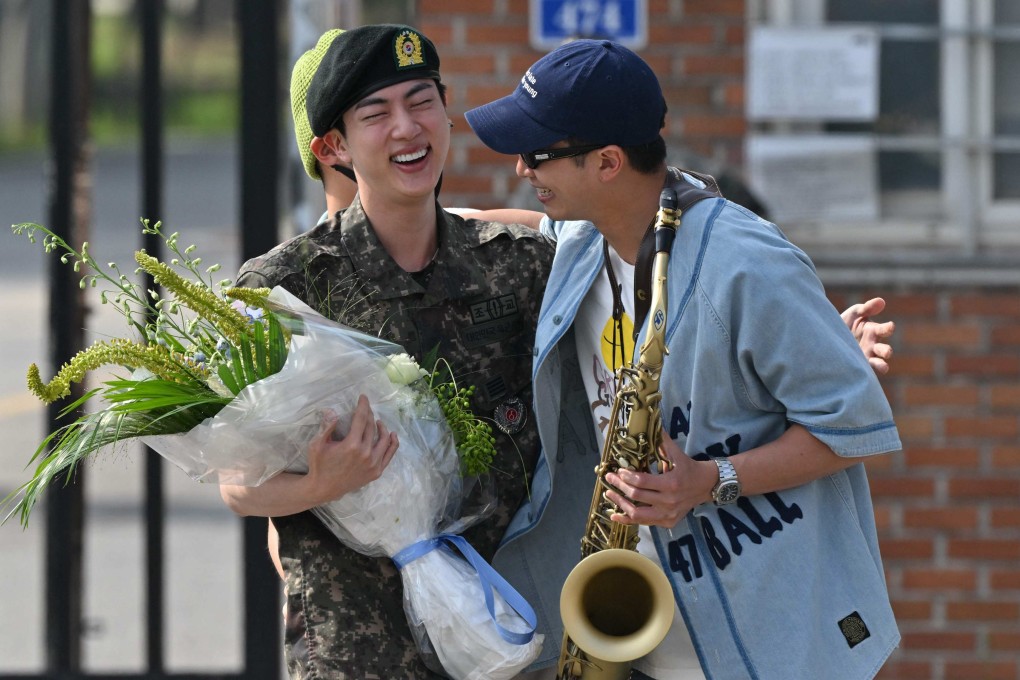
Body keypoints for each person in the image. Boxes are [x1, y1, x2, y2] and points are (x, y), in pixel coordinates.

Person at [465, 39, 901, 679]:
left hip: (767, 644)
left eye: (539, 154)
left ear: (608, 162)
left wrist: (709, 480)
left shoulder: (749, 264)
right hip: (642, 646)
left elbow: (852, 431)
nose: (523, 168)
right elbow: (504, 222)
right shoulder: (584, 237)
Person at [219, 24, 554, 678]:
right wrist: (322, 483)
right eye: (377, 113)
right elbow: (239, 482)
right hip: (355, 649)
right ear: (335, 147)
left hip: (508, 636)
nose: (408, 127)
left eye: (422, 101)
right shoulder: (285, 289)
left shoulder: (518, 270)